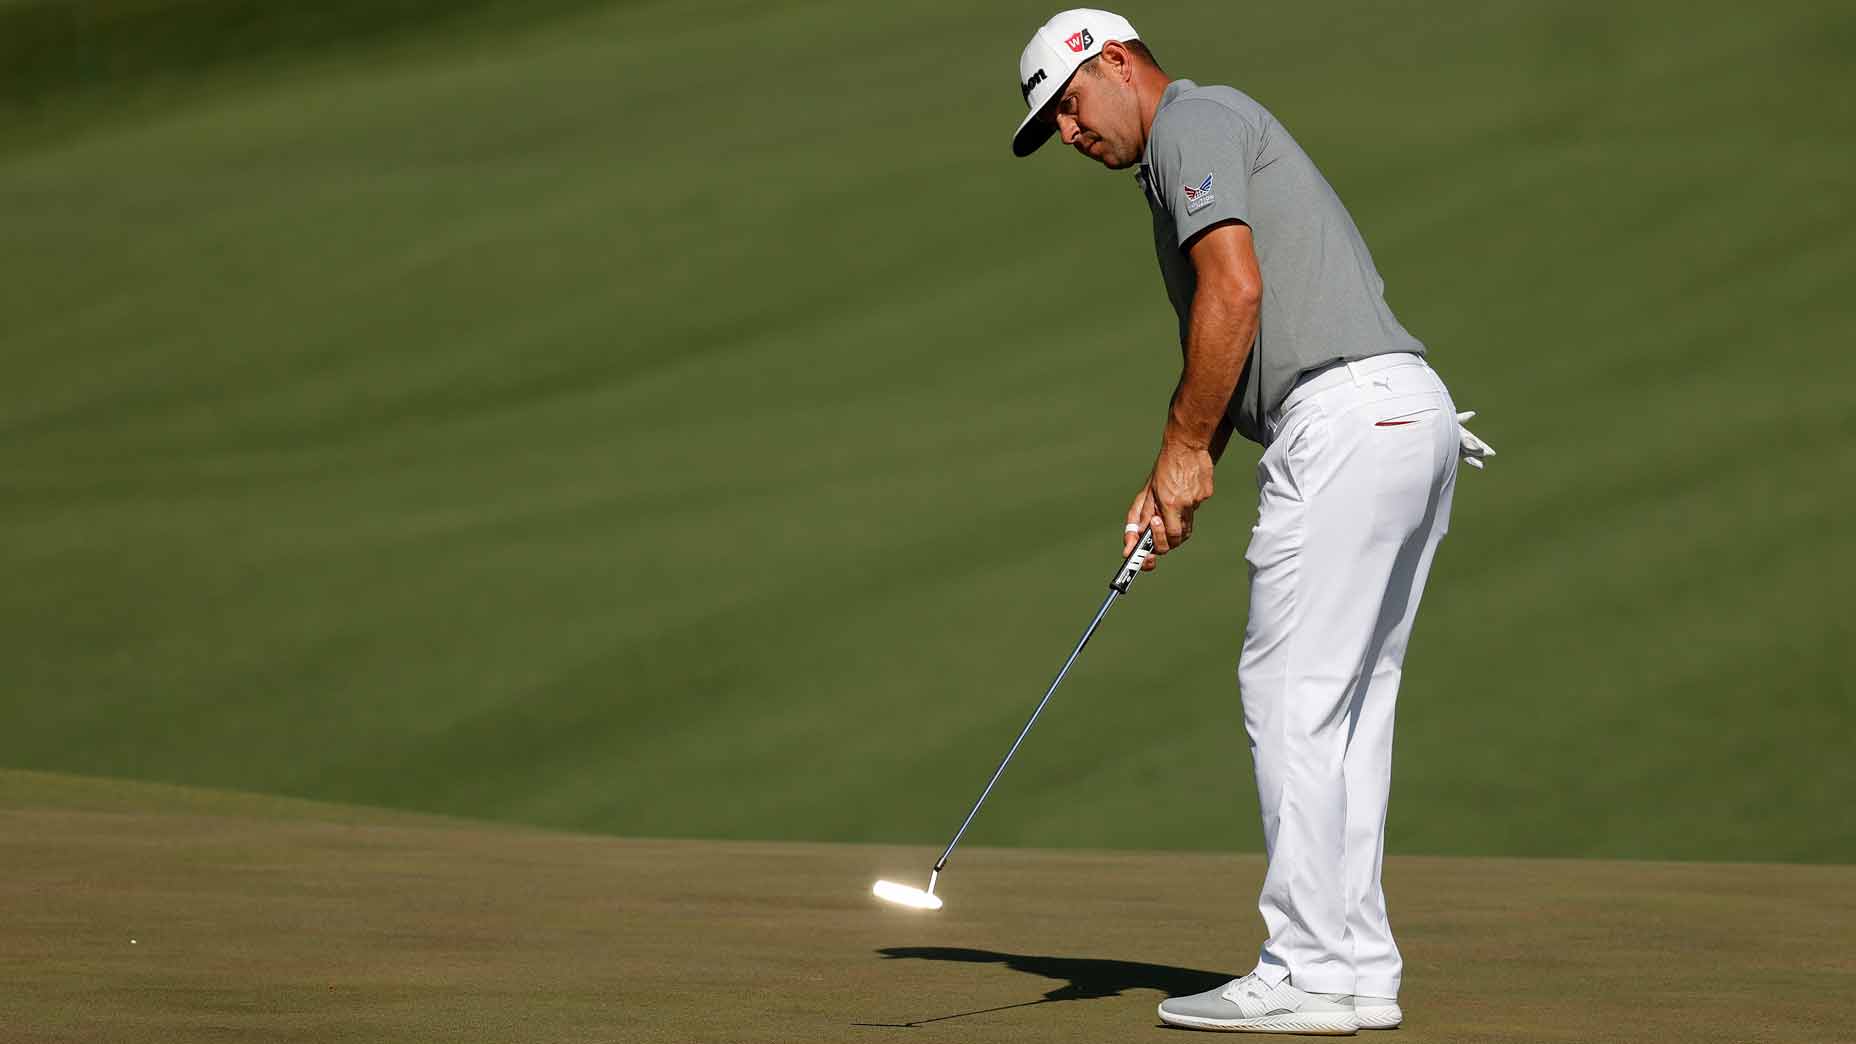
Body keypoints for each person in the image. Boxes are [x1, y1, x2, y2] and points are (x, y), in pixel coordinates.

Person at [1009, 9, 1494, 1036]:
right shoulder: (1192, 146)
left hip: (1346, 421)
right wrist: (1179, 468)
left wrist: (1183, 450)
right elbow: (1233, 346)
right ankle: (1356, 968)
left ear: (1113, 62)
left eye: (1065, 103)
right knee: (1347, 708)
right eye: (1048, 123)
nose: (1065, 132)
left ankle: (1306, 969)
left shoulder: (1191, 119)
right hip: (1406, 416)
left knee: (1286, 692)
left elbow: (1233, 291)